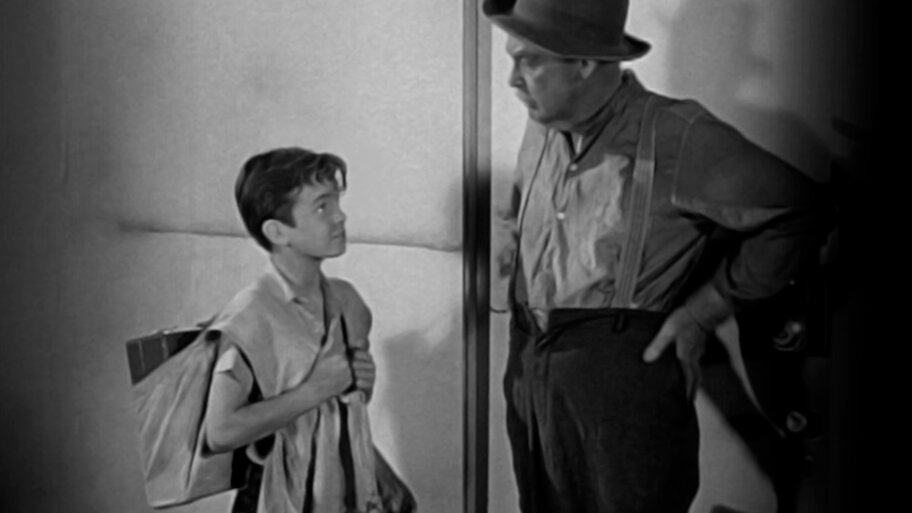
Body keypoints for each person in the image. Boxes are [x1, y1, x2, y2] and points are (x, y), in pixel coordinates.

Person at [484, 0, 832, 512]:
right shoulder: (541, 125)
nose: (513, 79)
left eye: (530, 60)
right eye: (512, 57)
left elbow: (800, 211)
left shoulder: (678, 134)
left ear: (584, 62)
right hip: (532, 369)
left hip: (620, 384)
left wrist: (703, 311)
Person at [203, 147, 381, 513]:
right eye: (322, 207)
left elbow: (346, 408)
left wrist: (363, 382)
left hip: (343, 493)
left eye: (337, 202)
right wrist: (314, 390)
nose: (340, 216)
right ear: (277, 231)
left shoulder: (348, 303)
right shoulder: (250, 316)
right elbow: (220, 432)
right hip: (276, 497)